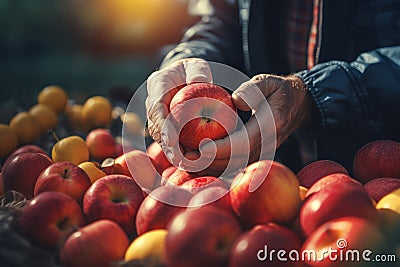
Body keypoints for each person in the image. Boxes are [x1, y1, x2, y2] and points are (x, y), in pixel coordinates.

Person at [145, 0, 400, 175]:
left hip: (382, 179)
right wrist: (186, 61)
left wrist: (316, 96)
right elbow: (221, 19)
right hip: (269, 180)